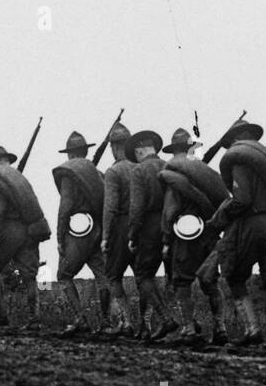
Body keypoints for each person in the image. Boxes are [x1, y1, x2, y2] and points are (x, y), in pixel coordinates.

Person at [209, 118, 266, 347]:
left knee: (235, 277)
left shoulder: (239, 163)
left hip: (251, 227)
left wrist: (220, 217)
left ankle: (253, 331)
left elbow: (242, 199)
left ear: (234, 139)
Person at [159, 128, 230, 346]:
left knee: (182, 282)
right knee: (210, 281)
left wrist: (165, 239)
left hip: (185, 235)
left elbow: (170, 211)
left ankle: (189, 328)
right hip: (209, 232)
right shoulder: (206, 172)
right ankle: (221, 327)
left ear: (173, 152)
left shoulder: (173, 175)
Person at [0, 145, 50, 329]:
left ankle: (1, 314)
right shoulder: (20, 179)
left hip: (9, 231)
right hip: (30, 230)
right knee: (29, 276)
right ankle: (34, 318)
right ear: (8, 161)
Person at [52, 132, 110, 337]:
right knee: (103, 276)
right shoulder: (98, 173)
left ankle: (80, 318)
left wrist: (60, 238)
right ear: (85, 151)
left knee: (64, 275)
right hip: (97, 229)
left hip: (78, 231)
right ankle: (107, 323)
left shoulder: (68, 173)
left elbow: (65, 206)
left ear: (69, 154)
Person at [126, 130, 177, 341]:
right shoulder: (169, 166)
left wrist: (132, 234)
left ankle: (166, 319)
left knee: (143, 275)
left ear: (139, 151)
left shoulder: (139, 170)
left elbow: (137, 208)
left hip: (150, 227)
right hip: (174, 225)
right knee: (173, 277)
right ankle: (188, 325)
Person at [99, 123, 137, 337]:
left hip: (121, 227)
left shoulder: (114, 171)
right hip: (141, 227)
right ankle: (150, 323)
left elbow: (110, 207)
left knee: (113, 276)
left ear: (113, 147)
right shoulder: (139, 167)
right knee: (143, 276)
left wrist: (105, 236)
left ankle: (127, 322)